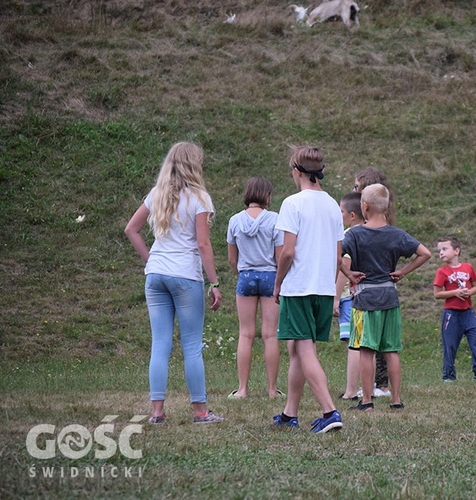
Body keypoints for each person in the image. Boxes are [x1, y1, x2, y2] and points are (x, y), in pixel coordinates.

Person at [124, 141, 224, 424]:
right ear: (194, 165)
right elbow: (203, 244)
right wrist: (214, 282)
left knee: (160, 344)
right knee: (191, 345)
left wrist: (150, 259)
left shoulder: (156, 194)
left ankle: (157, 412)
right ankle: (200, 411)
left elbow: (132, 229)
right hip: (185, 275)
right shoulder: (199, 198)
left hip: (155, 275)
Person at [272, 145, 344, 433]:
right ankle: (290, 414)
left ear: (297, 171)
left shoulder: (292, 203)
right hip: (324, 288)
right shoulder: (333, 205)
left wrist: (277, 283)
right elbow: (338, 256)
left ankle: (329, 411)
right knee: (297, 349)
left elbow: (287, 252)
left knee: (304, 348)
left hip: (299, 287)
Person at [342, 183, 432, 411]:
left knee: (366, 350)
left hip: (365, 300)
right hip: (390, 298)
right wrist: (403, 271)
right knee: (391, 350)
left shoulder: (354, 234)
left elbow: (335, 255)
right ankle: (396, 400)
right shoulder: (397, 234)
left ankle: (367, 401)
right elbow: (425, 253)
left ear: (364, 206)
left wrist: (348, 273)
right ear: (386, 206)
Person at [227, 177, 284, 399]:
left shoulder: (234, 221)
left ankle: (242, 389)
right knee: (270, 335)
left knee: (246, 333)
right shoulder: (275, 220)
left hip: (246, 276)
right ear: (267, 196)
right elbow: (280, 257)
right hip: (270, 276)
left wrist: (241, 273)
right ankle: (271, 390)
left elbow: (232, 259)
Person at [353, 167, 396, 398]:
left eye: (357, 187)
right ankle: (379, 386)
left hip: (372, 290)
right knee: (382, 342)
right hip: (383, 288)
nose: (353, 191)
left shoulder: (370, 227)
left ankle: (379, 386)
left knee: (372, 343)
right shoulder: (380, 222)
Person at [433, 237, 476, 383]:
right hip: (451, 314)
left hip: (468, 313)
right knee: (450, 346)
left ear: (456, 251)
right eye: (439, 251)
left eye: (444, 249)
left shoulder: (468, 267)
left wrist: (470, 292)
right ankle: (448, 376)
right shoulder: (442, 271)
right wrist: (455, 293)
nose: (441, 253)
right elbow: (437, 294)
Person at [335, 192, 363, 401]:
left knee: (353, 343)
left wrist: (335, 298)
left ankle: (352, 390)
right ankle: (367, 386)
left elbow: (345, 267)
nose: (339, 214)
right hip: (367, 295)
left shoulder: (348, 236)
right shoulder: (372, 232)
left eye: (342, 211)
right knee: (365, 343)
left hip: (348, 297)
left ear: (352, 215)